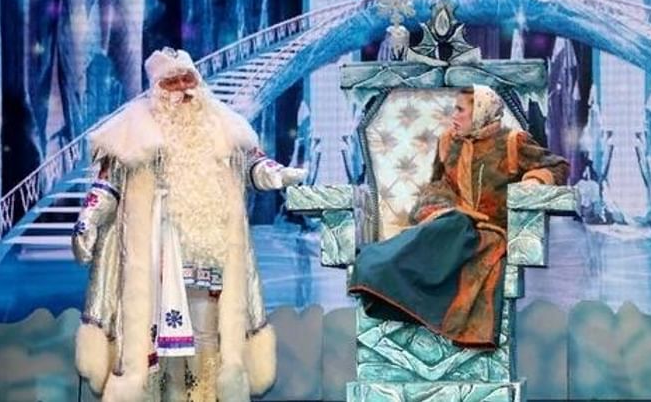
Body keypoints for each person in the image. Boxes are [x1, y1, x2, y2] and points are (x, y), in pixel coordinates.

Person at [71, 47, 306, 401]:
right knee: (148, 340)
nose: (182, 88)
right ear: (157, 88)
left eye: (188, 79)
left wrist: (279, 175)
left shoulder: (222, 124)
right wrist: (88, 220)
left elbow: (255, 165)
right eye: (172, 81)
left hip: (206, 255)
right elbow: (106, 186)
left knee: (206, 337)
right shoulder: (131, 129)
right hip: (154, 254)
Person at [348, 85, 569, 349]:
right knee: (445, 227)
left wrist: (534, 180)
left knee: (453, 227)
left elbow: (557, 165)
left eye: (461, 110)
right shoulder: (448, 143)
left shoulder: (513, 142)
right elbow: (438, 184)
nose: (454, 115)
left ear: (480, 113)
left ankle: (377, 264)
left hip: (488, 232)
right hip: (454, 220)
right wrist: (442, 206)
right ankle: (375, 267)